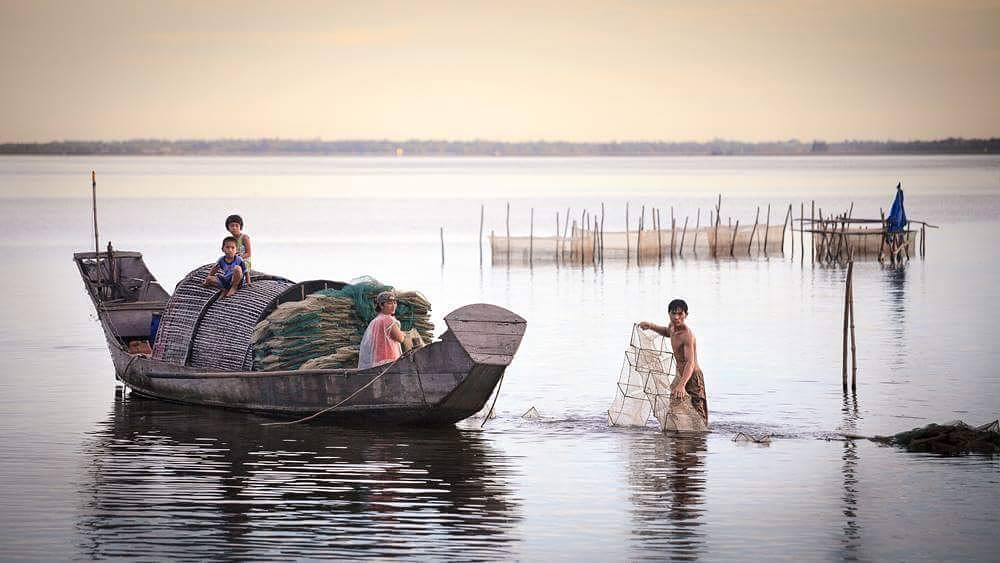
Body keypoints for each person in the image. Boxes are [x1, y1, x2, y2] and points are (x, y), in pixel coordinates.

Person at [638, 299, 708, 425]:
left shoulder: (687, 335)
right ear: (669, 313)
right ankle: (679, 438)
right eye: (673, 313)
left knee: (698, 413)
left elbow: (690, 363)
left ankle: (699, 439)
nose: (676, 317)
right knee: (674, 404)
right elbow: (667, 332)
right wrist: (651, 326)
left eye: (680, 314)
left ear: (686, 315)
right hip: (680, 375)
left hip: (692, 377)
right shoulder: (672, 327)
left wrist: (681, 385)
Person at [358, 291, 406, 369]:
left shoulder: (375, 321)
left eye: (394, 302)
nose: (393, 305)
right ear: (381, 305)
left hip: (377, 360)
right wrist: (403, 334)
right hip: (389, 360)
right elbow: (400, 338)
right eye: (390, 303)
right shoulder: (388, 320)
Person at [225, 214, 252, 285]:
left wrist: (238, 258)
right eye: (232, 226)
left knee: (240, 265)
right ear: (228, 228)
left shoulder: (244, 237)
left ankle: (248, 281)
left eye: (237, 226)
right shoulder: (231, 240)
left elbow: (248, 253)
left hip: (244, 259)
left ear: (240, 227)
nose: (234, 228)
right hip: (233, 259)